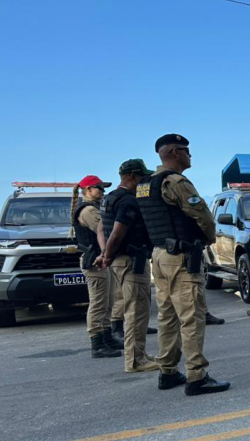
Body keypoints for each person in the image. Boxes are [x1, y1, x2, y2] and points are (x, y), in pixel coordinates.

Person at [138, 134, 229, 395]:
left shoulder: (146, 183)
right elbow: (201, 214)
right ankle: (196, 376)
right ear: (175, 152)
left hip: (159, 256)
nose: (191, 156)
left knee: (167, 316)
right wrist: (209, 238)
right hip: (181, 257)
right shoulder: (176, 181)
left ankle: (167, 371)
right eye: (187, 151)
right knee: (191, 317)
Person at [94, 159, 159, 373]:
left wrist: (106, 254)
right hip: (131, 260)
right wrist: (107, 255)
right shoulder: (128, 201)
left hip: (121, 260)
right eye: (141, 177)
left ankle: (138, 354)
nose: (144, 182)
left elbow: (102, 230)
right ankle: (135, 360)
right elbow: (117, 232)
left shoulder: (109, 198)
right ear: (132, 177)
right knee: (137, 311)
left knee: (134, 308)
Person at [71, 175, 123, 359]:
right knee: (98, 303)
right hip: (95, 260)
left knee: (107, 301)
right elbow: (104, 231)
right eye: (99, 188)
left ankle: (107, 337)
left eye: (102, 188)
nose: (102, 191)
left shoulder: (92, 208)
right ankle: (97, 342)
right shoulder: (88, 211)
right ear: (88, 190)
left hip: (100, 259)